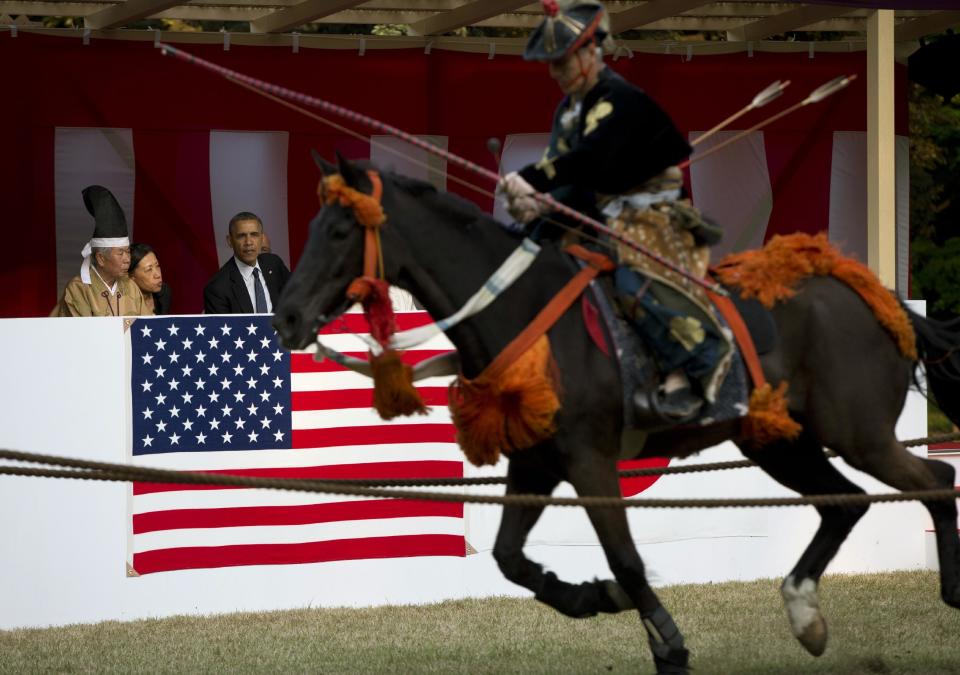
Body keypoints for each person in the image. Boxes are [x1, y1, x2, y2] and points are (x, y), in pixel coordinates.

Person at [497, 0, 728, 420]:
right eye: (551, 63)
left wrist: (532, 180)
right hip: (590, 213)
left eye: (562, 61)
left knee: (631, 278)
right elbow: (569, 177)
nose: (556, 72)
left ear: (591, 52)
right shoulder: (567, 111)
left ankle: (693, 367)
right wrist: (534, 207)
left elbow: (589, 161)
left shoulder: (620, 98)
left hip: (648, 214)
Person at [51, 185, 147, 317]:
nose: (127, 259)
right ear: (101, 258)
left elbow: (145, 326)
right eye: (120, 253)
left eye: (128, 252)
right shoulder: (79, 288)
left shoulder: (131, 286)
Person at [204, 212, 290, 314]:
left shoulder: (274, 264)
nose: (248, 242)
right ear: (230, 241)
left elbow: (296, 298)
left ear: (262, 238)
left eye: (254, 235)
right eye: (241, 236)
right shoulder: (217, 288)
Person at [129, 243, 172, 315]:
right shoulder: (122, 302)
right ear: (131, 276)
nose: (158, 275)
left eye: (157, 266)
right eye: (149, 269)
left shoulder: (163, 293)